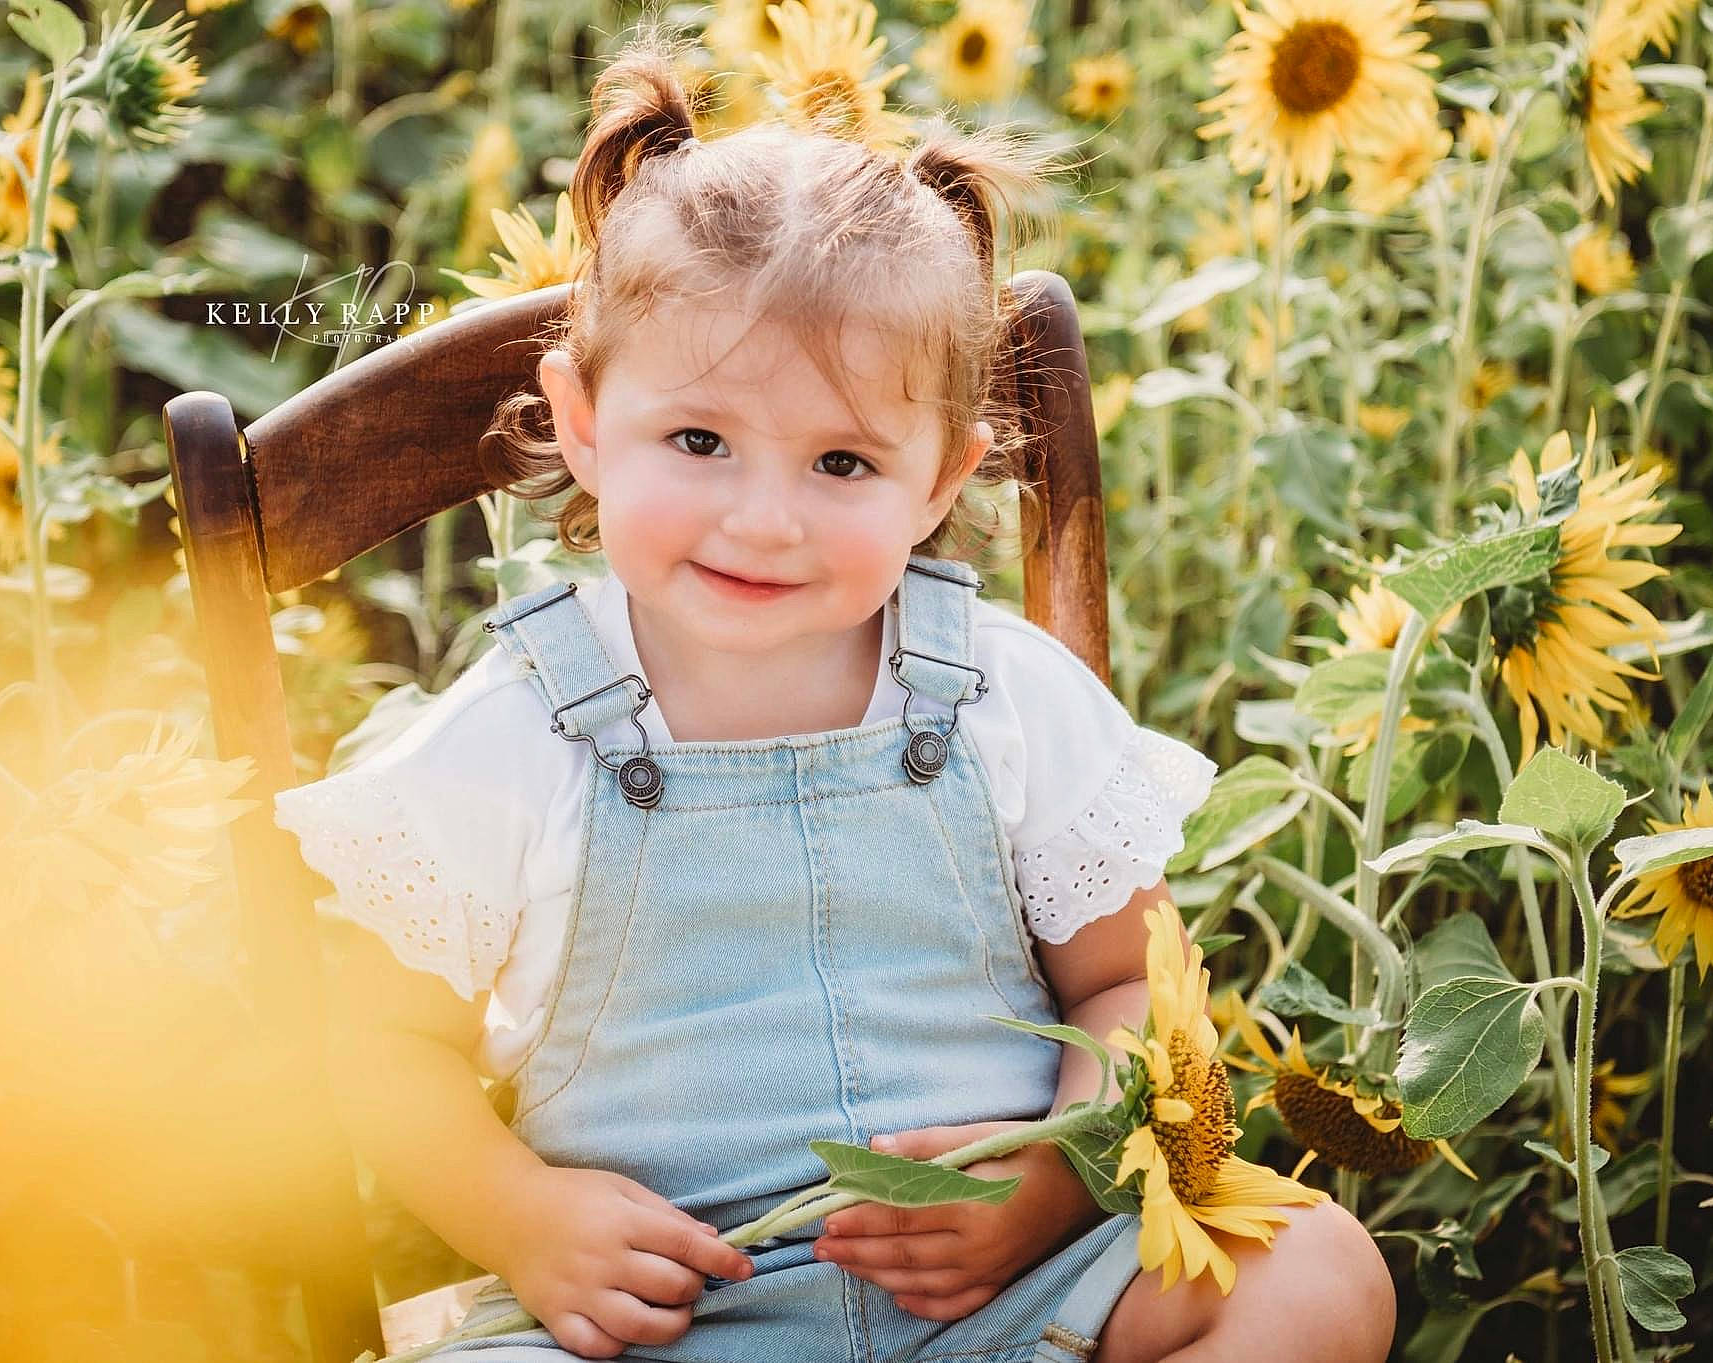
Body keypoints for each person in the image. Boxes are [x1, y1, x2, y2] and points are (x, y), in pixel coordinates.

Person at [275, 31, 1393, 1363]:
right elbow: (381, 1050)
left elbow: (1135, 991)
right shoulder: (517, 730)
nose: (765, 519)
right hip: (666, 1319)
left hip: (1004, 1298)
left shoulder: (999, 698)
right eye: (699, 442)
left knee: (1319, 1269)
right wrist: (522, 1217)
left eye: (843, 462)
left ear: (941, 478)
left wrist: (1053, 1187)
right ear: (582, 423)